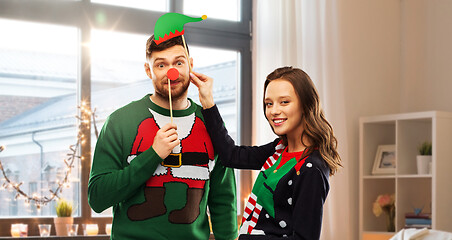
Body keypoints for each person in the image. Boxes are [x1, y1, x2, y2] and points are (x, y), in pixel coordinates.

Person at [88, 35, 238, 240]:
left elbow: (223, 200)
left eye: (178, 62)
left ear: (190, 65)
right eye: (161, 65)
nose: (172, 72)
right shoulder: (119, 122)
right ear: (148, 70)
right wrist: (153, 155)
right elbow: (97, 198)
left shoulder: (211, 122)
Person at [190, 66, 343, 239]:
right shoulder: (278, 150)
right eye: (269, 103)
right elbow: (231, 155)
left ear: (306, 104)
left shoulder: (311, 168)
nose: (273, 111)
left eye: (284, 102)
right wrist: (208, 101)